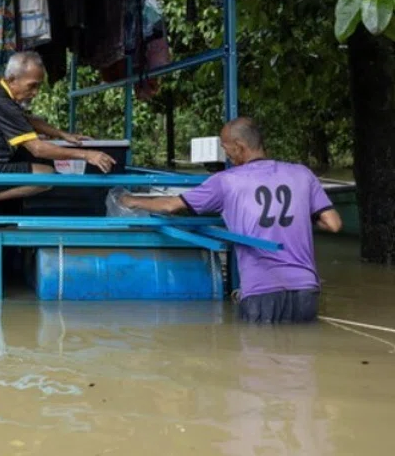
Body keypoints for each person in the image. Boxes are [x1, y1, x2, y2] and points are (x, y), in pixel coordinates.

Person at [120, 117, 343, 324]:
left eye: (225, 147)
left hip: (261, 291)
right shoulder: (302, 174)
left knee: (259, 358)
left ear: (239, 146)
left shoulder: (226, 182)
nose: (225, 153)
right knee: (302, 359)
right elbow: (333, 223)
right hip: (305, 289)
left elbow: (170, 205)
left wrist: (130, 200)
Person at [0, 51, 116, 217]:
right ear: (12, 80)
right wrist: (88, 155)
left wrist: (62, 134)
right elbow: (38, 149)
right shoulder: (0, 102)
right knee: (46, 176)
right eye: (32, 85)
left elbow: (27, 120)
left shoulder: (2, 95)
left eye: (38, 86)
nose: (36, 92)